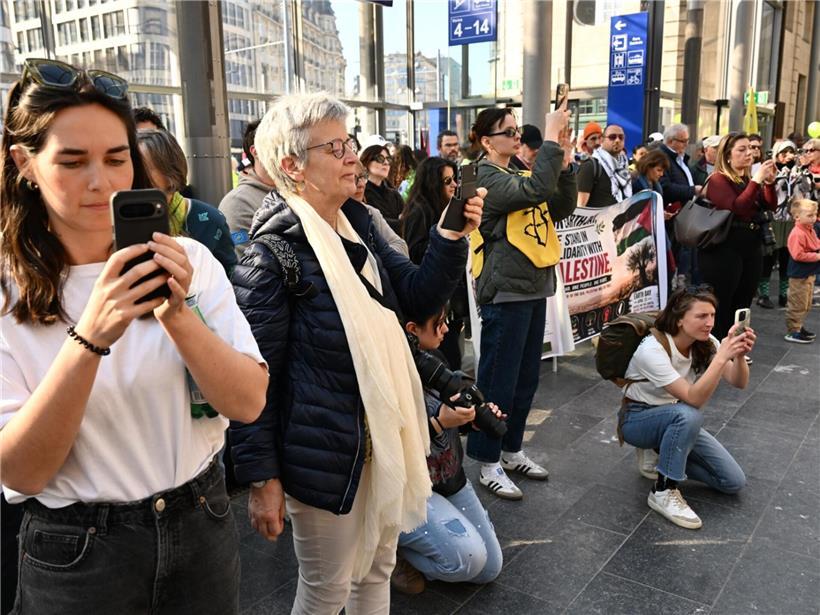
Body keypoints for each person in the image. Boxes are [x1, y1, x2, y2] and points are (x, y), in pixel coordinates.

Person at [0, 58, 267, 615]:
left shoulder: (189, 260)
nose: (102, 182)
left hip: (201, 519)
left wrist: (177, 313)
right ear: (24, 164)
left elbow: (247, 403)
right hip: (77, 551)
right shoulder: (9, 292)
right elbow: (22, 470)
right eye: (72, 161)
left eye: (117, 158)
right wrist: (92, 335)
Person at [228, 92, 484, 615]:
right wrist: (263, 479)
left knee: (377, 573)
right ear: (292, 165)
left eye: (350, 142)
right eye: (336, 146)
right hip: (323, 452)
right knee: (326, 588)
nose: (352, 156)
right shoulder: (270, 257)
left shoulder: (359, 226)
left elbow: (413, 296)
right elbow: (256, 381)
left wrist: (451, 233)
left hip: (382, 438)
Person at [466, 103, 576, 500]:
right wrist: (549, 139)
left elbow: (559, 206)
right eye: (508, 132)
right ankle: (487, 459)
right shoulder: (484, 177)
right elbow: (534, 192)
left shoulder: (516, 171)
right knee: (499, 378)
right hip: (506, 289)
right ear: (485, 141)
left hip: (533, 285)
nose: (516, 137)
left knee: (526, 377)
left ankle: (511, 450)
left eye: (516, 131)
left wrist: (564, 162)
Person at [391, 306, 503, 595]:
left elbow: (455, 417)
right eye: (438, 322)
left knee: (489, 568)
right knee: (467, 561)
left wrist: (473, 421)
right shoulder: (391, 375)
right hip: (409, 490)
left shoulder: (438, 360)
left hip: (448, 477)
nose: (445, 329)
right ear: (412, 330)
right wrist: (439, 423)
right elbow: (386, 448)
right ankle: (388, 554)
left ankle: (424, 543)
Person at [620, 286, 751, 529]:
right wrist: (722, 356)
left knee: (732, 481)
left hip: (676, 417)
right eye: (701, 316)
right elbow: (694, 399)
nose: (710, 323)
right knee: (688, 414)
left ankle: (661, 453)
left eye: (712, 315)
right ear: (680, 319)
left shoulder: (706, 342)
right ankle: (663, 490)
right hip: (638, 419)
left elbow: (739, 382)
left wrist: (739, 354)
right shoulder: (652, 349)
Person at [698, 132, 778, 339]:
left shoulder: (747, 178)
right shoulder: (718, 179)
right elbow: (738, 208)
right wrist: (757, 181)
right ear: (727, 155)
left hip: (751, 246)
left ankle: (736, 344)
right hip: (725, 248)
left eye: (750, 149)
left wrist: (768, 183)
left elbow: (770, 205)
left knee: (744, 299)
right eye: (741, 150)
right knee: (723, 300)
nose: (748, 154)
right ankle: (717, 347)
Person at [137, 130, 237, 275]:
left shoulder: (210, 219)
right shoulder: (115, 220)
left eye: (143, 167)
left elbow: (230, 276)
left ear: (169, 170)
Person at [401, 156, 466, 368]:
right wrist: (443, 240)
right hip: (432, 303)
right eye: (448, 181)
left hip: (448, 301)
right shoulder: (420, 211)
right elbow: (414, 252)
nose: (454, 185)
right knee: (447, 361)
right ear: (433, 183)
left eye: (454, 179)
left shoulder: (442, 208)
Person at [219, 119, 277, 259]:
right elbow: (245, 266)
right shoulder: (238, 203)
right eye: (278, 145)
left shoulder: (299, 190)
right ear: (256, 152)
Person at [757, 140, 798, 309]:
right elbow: (766, 191)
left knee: (786, 257)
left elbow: (802, 192)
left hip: (790, 219)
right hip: (773, 218)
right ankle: (764, 294)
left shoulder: (797, 171)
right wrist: (779, 178)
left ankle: (783, 294)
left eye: (791, 152)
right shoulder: (770, 169)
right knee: (769, 257)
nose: (788, 156)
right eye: (784, 153)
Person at [352, 160, 409, 256]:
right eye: (352, 178)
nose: (361, 184)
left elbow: (401, 245)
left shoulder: (371, 212)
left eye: (362, 177)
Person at [784, 199, 820, 343]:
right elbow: (797, 254)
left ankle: (799, 326)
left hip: (808, 273)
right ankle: (793, 330)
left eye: (815, 215)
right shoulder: (797, 233)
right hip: (799, 275)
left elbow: (815, 243)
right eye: (810, 215)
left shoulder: (809, 229)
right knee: (797, 302)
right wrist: (817, 255)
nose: (814, 218)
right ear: (797, 216)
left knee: (805, 303)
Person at [577, 124, 632, 207]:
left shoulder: (624, 167)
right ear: (602, 140)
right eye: (612, 137)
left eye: (621, 137)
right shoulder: (590, 166)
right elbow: (580, 207)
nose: (617, 140)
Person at [361, 143, 404, 233]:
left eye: (388, 159)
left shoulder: (394, 195)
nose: (386, 163)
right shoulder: (360, 193)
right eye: (380, 159)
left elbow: (407, 221)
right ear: (367, 162)